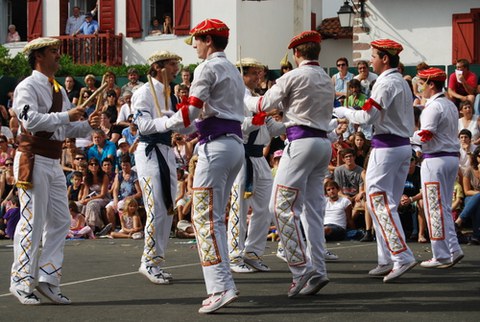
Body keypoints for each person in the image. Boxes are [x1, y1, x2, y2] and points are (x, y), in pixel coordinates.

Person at [163, 19, 245, 313]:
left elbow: (192, 111)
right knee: (213, 217)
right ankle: (224, 284)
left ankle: (220, 287)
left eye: (196, 40)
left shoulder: (207, 68)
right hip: (232, 144)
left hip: (217, 147)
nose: (194, 46)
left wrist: (162, 124)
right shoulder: (233, 70)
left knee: (203, 217)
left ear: (208, 40)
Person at [244, 30, 333, 297]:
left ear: (296, 54)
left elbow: (261, 103)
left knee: (279, 206)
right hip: (321, 144)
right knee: (313, 211)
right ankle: (317, 269)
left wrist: (241, 94)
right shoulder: (327, 79)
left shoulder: (292, 76)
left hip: (302, 145)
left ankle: (299, 267)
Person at [10, 37, 100, 305]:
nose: (58, 56)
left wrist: (87, 125)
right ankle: (21, 280)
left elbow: (63, 129)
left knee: (61, 220)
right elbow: (31, 121)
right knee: (32, 221)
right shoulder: (26, 87)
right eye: (53, 52)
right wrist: (66, 116)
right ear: (39, 56)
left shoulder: (58, 89)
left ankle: (48, 278)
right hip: (32, 158)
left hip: (52, 160)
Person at [335, 38, 417, 283]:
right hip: (399, 146)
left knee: (378, 201)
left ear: (385, 58)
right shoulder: (399, 81)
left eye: (373, 56)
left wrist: (344, 111)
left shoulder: (386, 83)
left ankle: (400, 256)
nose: (369, 60)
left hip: (388, 147)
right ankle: (387, 258)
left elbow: (368, 116)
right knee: (382, 202)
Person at [227, 57, 285, 274]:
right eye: (252, 73)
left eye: (259, 73)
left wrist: (293, 121)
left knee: (265, 208)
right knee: (239, 207)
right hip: (242, 157)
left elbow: (273, 128)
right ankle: (234, 253)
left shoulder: (258, 99)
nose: (257, 77)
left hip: (259, 158)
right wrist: (257, 119)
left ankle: (253, 252)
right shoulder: (234, 99)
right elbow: (238, 127)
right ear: (242, 75)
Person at [131, 50, 182, 286]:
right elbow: (143, 125)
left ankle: (156, 261)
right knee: (155, 208)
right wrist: (169, 121)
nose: (176, 69)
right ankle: (148, 262)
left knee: (166, 208)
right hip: (149, 153)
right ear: (158, 67)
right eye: (172, 65)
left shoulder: (169, 94)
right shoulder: (142, 92)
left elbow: (175, 123)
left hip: (166, 151)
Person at [411, 67, 464, 267]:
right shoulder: (449, 104)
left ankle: (441, 254)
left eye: (422, 82)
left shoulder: (433, 107)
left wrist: (405, 137)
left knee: (433, 206)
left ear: (431, 84)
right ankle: (453, 249)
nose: (420, 87)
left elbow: (427, 134)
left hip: (436, 159)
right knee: (442, 206)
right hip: (449, 158)